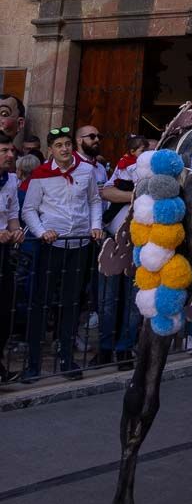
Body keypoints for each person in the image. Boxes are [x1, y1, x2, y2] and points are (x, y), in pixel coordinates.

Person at [21, 127, 104, 382]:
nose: (65, 149)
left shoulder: (86, 171)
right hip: (51, 246)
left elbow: (93, 201)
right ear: (51, 150)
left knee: (71, 302)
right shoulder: (40, 175)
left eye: (67, 144)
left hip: (78, 245)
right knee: (41, 302)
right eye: (59, 145)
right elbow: (29, 209)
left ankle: (67, 358)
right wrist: (41, 231)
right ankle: (33, 362)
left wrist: (95, 225)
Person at [93, 135, 149, 369]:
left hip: (140, 243)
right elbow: (106, 193)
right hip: (113, 240)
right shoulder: (123, 166)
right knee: (107, 298)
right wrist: (136, 196)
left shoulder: (155, 173)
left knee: (133, 300)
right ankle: (105, 347)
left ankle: (125, 347)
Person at [0, 133, 21, 384]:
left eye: (11, 151)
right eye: (4, 150)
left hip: (4, 253)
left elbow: (12, 212)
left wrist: (15, 231)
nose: (10, 155)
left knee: (4, 312)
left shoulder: (11, 180)